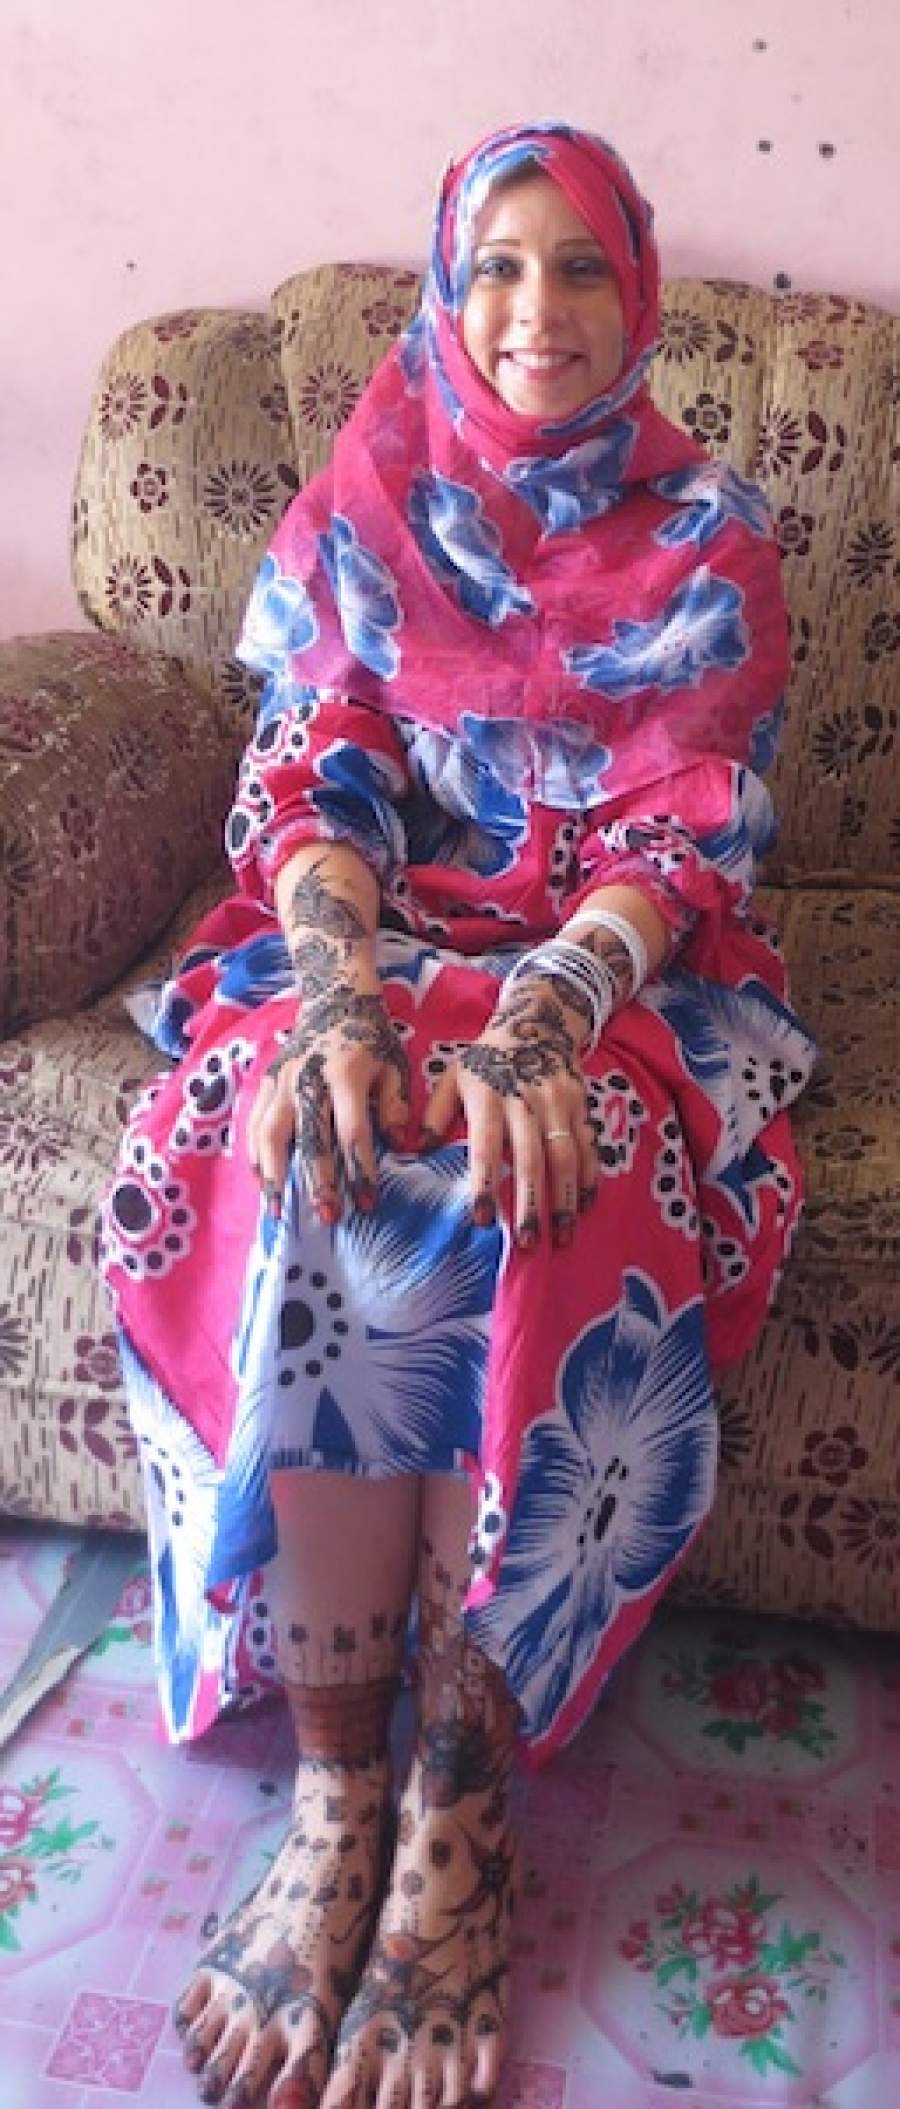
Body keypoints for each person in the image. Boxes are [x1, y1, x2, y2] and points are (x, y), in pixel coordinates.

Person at [100, 121, 816, 2109]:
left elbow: (687, 837)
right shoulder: (374, 491)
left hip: (621, 967)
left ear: (638, 294)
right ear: (444, 284)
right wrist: (342, 993)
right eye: (497, 263)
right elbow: (312, 770)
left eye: (580, 266)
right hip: (376, 934)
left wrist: (550, 1021)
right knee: (299, 1144)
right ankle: (339, 1786)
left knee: (543, 1185)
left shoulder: (711, 535)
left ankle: (458, 1799)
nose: (535, 309)